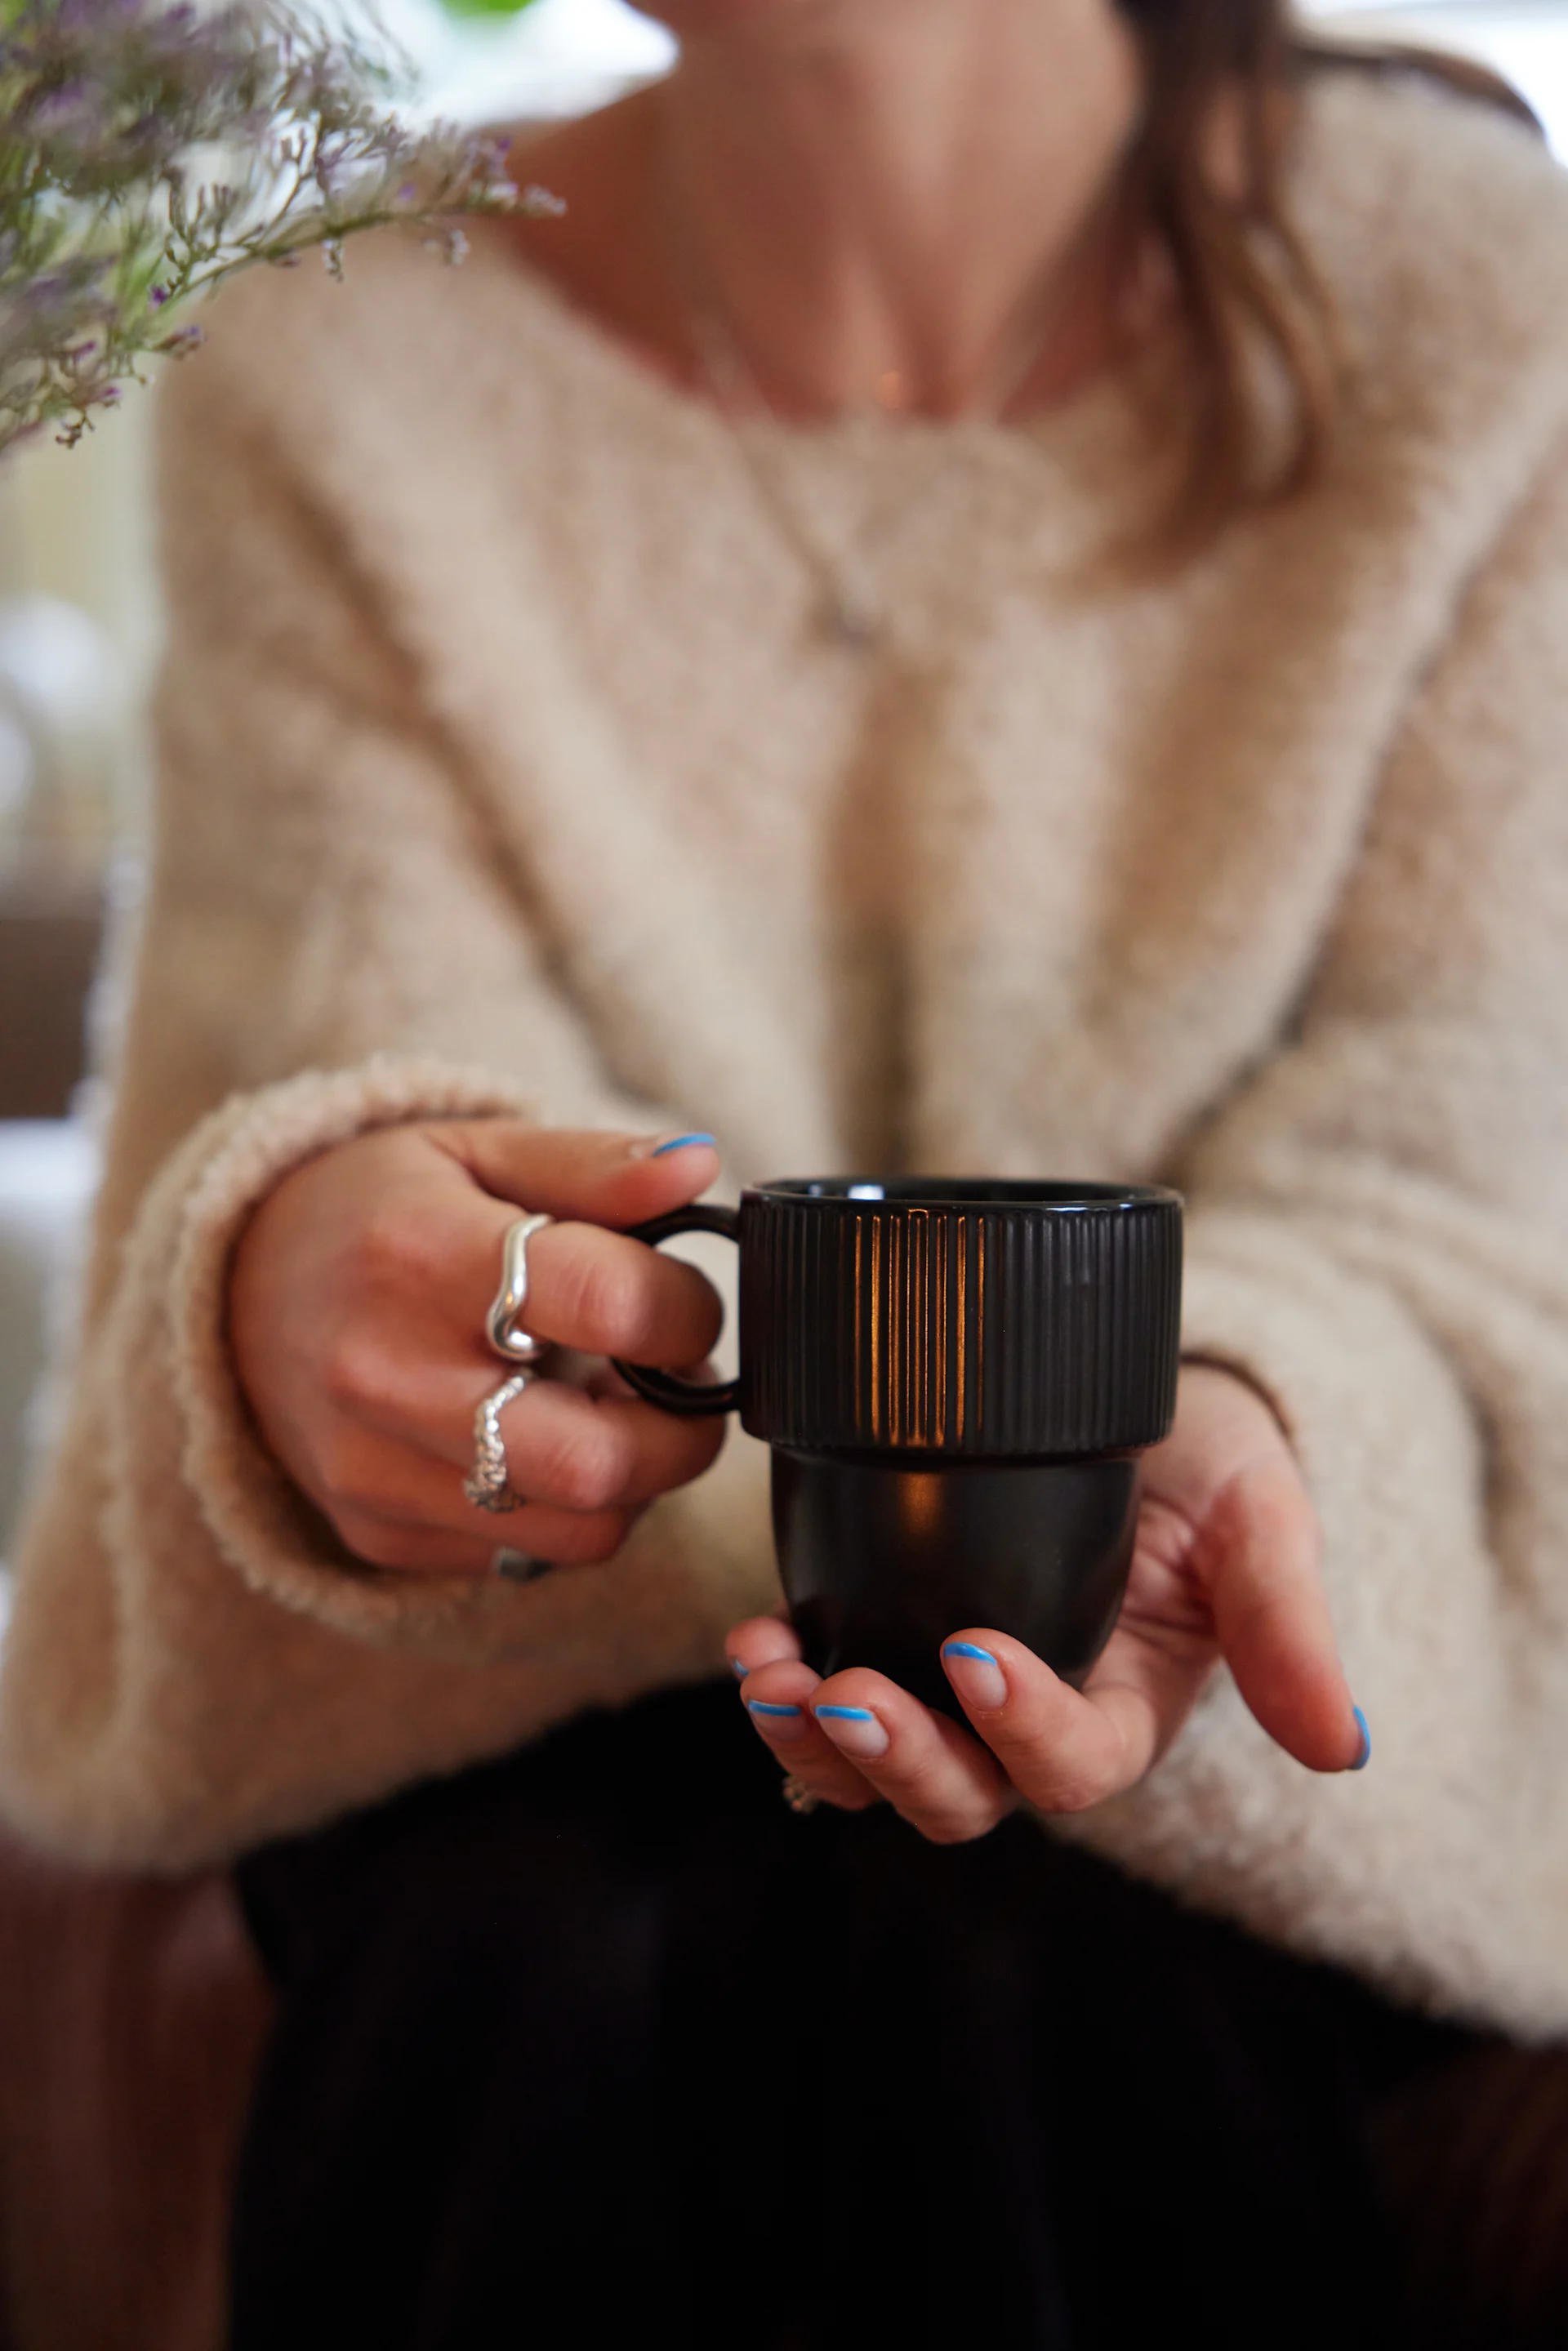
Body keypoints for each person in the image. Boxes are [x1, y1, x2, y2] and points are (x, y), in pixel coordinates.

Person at [3, 0, 1568, 2340]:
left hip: (1224, 1773)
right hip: (521, 1734)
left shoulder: (1490, 330)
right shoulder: (337, 357)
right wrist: (309, 1264)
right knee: (553, 1936)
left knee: (1025, 1953)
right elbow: (344, 1104)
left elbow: (1473, 1187)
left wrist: (1213, 1433)